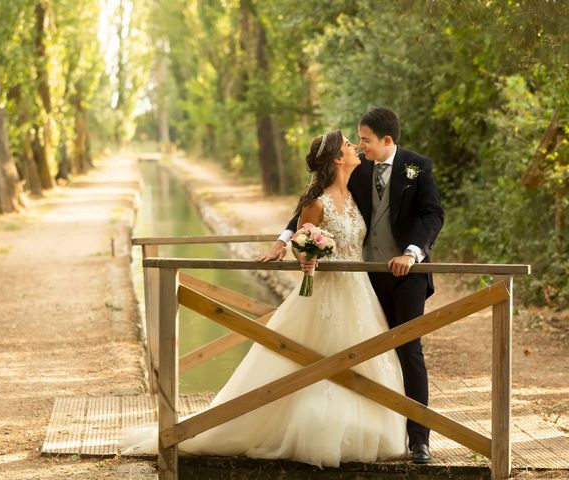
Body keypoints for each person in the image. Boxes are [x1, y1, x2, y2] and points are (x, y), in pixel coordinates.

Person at [120, 130, 408, 467]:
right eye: (348, 145)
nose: (356, 147)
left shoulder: (357, 194)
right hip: (325, 297)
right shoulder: (317, 203)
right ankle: (305, 428)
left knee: (362, 358)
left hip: (359, 293)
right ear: (336, 158)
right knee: (312, 360)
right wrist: (306, 254)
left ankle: (367, 429)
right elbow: (303, 241)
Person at [258, 108, 445, 464]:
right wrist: (285, 239)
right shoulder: (356, 169)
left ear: (386, 140)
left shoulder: (417, 166)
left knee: (408, 350)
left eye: (365, 140)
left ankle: (419, 439)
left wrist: (412, 253)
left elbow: (433, 214)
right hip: (367, 281)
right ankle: (356, 430)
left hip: (408, 276)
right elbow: (314, 202)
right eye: (355, 141)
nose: (359, 147)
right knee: (367, 353)